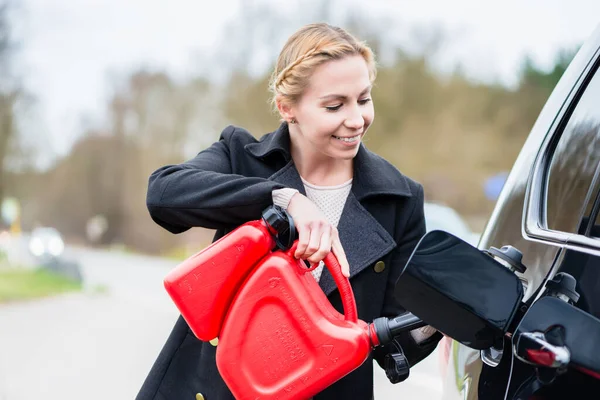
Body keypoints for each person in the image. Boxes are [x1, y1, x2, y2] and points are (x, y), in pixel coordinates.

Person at [137, 22, 441, 400]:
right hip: (213, 389)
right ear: (287, 108)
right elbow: (164, 193)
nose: (356, 119)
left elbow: (396, 344)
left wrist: (439, 314)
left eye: (363, 99)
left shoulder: (400, 198)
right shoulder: (240, 157)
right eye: (334, 105)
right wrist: (285, 199)